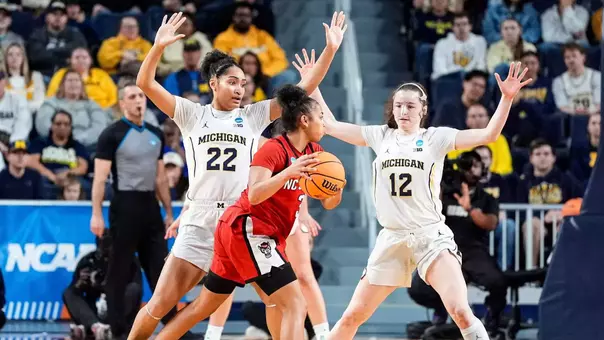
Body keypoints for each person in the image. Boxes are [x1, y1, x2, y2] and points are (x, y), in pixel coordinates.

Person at [127, 11, 346, 340]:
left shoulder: (253, 115)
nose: (240, 89)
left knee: (280, 301)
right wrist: (157, 48)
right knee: (161, 304)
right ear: (213, 83)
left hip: (242, 218)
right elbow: (145, 83)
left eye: (244, 83)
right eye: (232, 82)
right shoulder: (191, 113)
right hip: (200, 218)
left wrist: (329, 51)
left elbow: (304, 89)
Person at [315, 62, 532, 340]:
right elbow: (330, 124)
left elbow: (489, 134)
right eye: (399, 106)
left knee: (460, 311)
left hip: (430, 235)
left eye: (410, 106)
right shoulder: (380, 136)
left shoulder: (435, 138)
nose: (403, 111)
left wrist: (506, 98)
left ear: (423, 110)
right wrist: (314, 80)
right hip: (392, 238)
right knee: (351, 316)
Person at [154, 84, 344, 340]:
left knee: (205, 306)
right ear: (304, 120)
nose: (324, 123)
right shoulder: (274, 149)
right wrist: (289, 172)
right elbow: (254, 194)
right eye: (321, 117)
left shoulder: (316, 155)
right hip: (247, 228)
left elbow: (329, 203)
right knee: (295, 303)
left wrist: (336, 186)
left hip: (253, 233)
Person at [90, 80, 178, 340]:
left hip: (150, 206)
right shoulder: (111, 134)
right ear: (122, 103)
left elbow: (161, 178)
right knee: (119, 268)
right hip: (124, 205)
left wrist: (169, 212)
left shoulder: (156, 133)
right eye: (132, 96)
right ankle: (119, 330)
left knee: (161, 270)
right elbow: (99, 178)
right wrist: (96, 213)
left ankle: (174, 327)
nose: (139, 100)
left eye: (141, 95)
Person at [408, 151, 506, 338]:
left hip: (474, 250)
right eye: (467, 165)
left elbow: (491, 224)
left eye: (475, 166)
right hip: (445, 248)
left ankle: (493, 318)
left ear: (483, 170)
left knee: (498, 283)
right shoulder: (445, 191)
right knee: (418, 288)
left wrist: (469, 208)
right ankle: (441, 308)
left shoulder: (486, 198)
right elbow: (427, 213)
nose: (470, 170)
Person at [63, 230, 142, 340]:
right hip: (93, 312)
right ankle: (94, 327)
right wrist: (80, 283)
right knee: (69, 292)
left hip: (118, 311)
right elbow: (74, 290)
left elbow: (137, 291)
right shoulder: (88, 261)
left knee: (133, 289)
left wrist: (108, 284)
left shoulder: (129, 260)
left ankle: (110, 329)